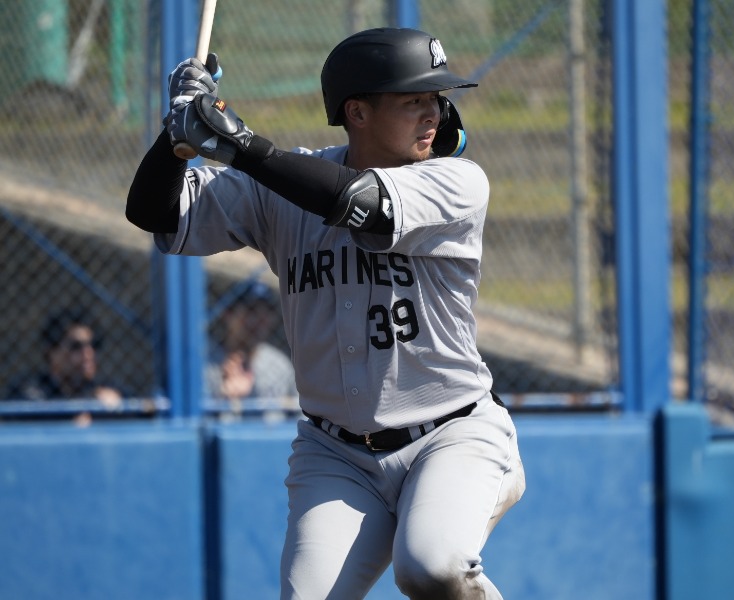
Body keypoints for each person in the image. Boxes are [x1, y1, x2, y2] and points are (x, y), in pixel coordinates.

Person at [126, 27, 525, 599]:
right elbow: (155, 213)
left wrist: (239, 143)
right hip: (336, 455)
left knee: (432, 567)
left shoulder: (457, 180)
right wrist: (176, 137)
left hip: (452, 435)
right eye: (412, 99)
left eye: (435, 98)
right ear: (356, 112)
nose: (432, 112)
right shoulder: (284, 185)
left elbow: (358, 204)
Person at [4, 308, 124, 424]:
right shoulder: (31, 389)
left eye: (93, 345)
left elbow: (140, 408)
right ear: (52, 353)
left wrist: (117, 407)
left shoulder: (104, 388)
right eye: (76, 346)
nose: (88, 354)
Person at [205, 281, 296, 404]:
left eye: (266, 313)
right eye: (251, 311)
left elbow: (298, 416)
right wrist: (223, 400)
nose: (259, 321)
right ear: (227, 315)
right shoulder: (206, 362)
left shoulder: (279, 364)